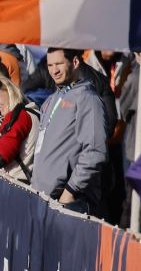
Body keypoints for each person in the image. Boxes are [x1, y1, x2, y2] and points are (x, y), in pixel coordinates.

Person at [32, 48, 108, 216]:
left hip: (68, 204)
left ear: (74, 62)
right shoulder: (51, 100)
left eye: (59, 64)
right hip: (43, 200)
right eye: (50, 65)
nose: (54, 70)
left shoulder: (88, 99)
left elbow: (95, 152)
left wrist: (69, 192)